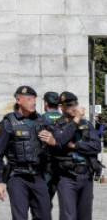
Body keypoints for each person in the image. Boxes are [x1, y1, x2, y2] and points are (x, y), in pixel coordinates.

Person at [0, 86, 51, 220]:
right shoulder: (8, 123)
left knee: (45, 216)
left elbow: (52, 146)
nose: (33, 102)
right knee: (20, 217)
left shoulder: (41, 121)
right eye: (29, 99)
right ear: (19, 100)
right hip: (17, 177)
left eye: (34, 99)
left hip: (38, 176)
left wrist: (52, 140)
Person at [41, 91, 101, 220]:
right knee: (69, 217)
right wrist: (76, 120)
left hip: (86, 176)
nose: (74, 107)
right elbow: (61, 141)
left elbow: (97, 146)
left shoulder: (86, 124)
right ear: (61, 107)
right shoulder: (55, 125)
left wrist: (76, 146)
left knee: (85, 216)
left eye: (76, 104)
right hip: (67, 177)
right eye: (70, 105)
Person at [41, 91, 63, 206]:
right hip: (62, 162)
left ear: (46, 104)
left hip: (46, 162)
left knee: (43, 197)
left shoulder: (41, 119)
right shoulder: (65, 118)